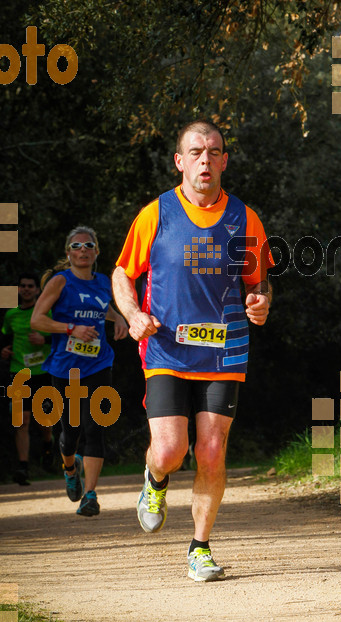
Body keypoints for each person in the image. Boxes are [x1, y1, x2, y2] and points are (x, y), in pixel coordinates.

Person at [112, 119, 272, 581]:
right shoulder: (156, 214)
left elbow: (259, 282)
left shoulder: (244, 219)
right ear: (180, 161)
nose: (206, 159)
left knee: (212, 449)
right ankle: (156, 479)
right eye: (197, 152)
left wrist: (261, 303)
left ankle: (199, 547)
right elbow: (123, 273)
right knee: (168, 449)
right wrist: (132, 316)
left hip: (225, 350)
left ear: (224, 160)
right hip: (165, 347)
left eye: (215, 151)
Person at [31, 226, 128, 516]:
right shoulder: (60, 282)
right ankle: (70, 469)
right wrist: (71, 328)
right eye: (76, 246)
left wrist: (118, 317)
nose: (82, 250)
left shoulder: (102, 282)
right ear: (68, 253)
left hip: (99, 363)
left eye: (88, 245)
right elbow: (37, 319)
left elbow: (102, 307)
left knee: (94, 428)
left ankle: (90, 494)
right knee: (70, 432)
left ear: (97, 252)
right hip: (66, 367)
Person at [1, 273, 54, 484]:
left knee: (43, 420)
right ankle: (23, 467)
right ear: (17, 290)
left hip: (42, 372)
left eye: (30, 286)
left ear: (37, 290)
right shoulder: (11, 315)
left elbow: (63, 335)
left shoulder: (46, 312)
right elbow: (5, 338)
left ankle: (48, 442)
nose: (25, 289)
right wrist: (3, 351)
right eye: (22, 286)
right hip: (19, 373)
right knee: (21, 421)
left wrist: (44, 339)